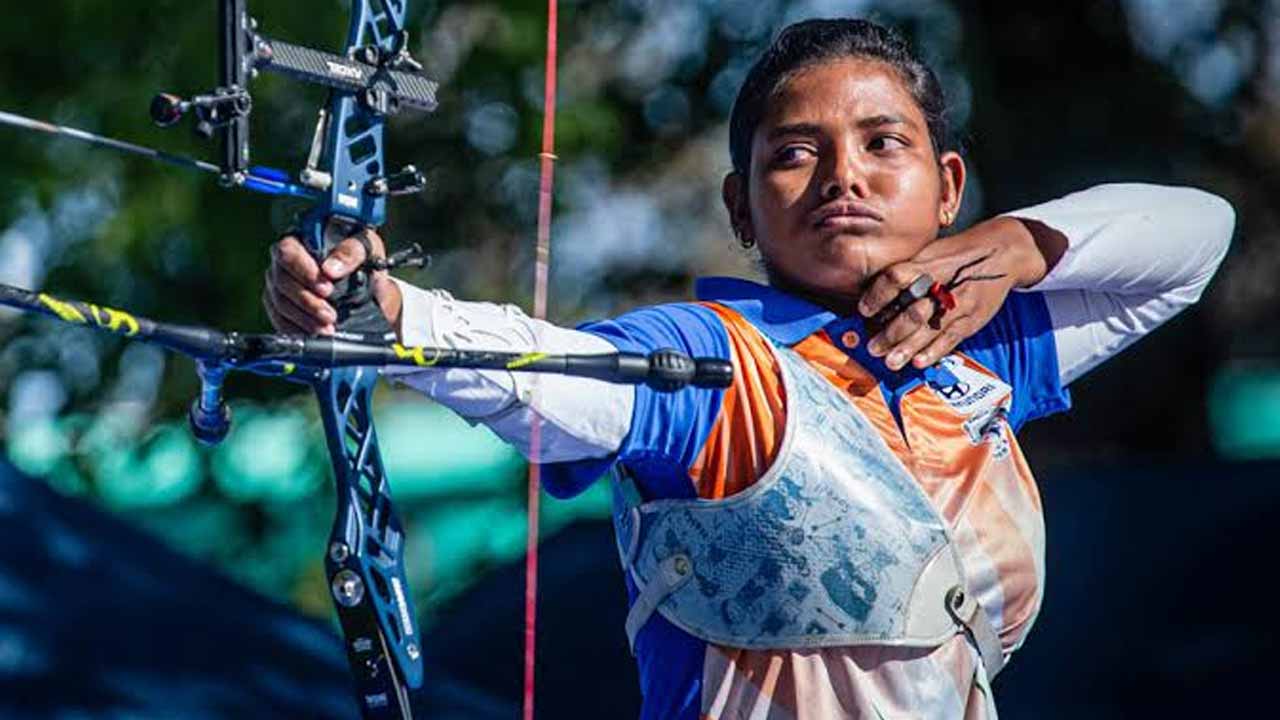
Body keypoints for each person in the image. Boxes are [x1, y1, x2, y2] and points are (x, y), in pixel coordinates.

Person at [263, 18, 1233, 720]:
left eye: (883, 143)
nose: (843, 176)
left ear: (947, 186)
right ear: (740, 207)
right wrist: (390, 312)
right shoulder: (715, 360)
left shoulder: (979, 351)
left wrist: (1018, 244)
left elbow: (1196, 239)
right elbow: (555, 376)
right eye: (795, 153)